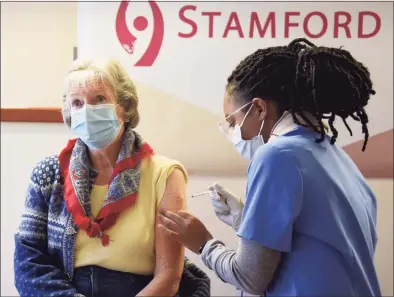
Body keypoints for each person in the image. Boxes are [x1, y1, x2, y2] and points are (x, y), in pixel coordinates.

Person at [159, 38, 381, 296]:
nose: (232, 132)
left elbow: (250, 277)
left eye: (233, 121)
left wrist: (203, 243)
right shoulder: (336, 157)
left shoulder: (276, 156)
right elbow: (315, 244)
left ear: (260, 108)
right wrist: (243, 219)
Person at [14, 58, 210, 297]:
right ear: (69, 115)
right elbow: (27, 264)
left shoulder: (165, 174)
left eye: (99, 99)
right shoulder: (48, 173)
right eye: (77, 103)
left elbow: (168, 278)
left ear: (125, 107)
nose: (87, 110)